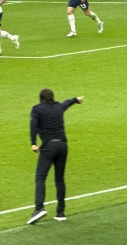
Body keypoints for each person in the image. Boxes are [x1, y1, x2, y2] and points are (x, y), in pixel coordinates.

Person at [27, 89, 84, 224]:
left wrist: (34, 143)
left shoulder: (37, 109)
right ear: (52, 97)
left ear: (40, 98)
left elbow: (33, 125)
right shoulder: (58, 106)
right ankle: (60, 212)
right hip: (62, 145)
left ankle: (39, 208)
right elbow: (67, 103)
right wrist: (76, 99)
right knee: (59, 179)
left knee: (40, 177)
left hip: (48, 146)